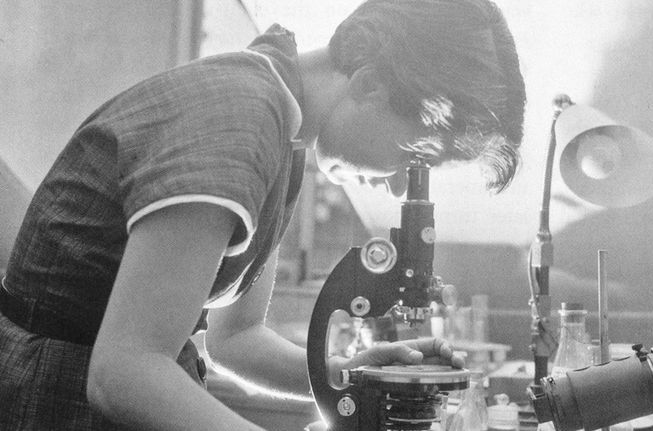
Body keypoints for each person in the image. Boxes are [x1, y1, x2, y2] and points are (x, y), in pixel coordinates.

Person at [0, 0, 526, 429]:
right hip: (57, 398)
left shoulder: (285, 127)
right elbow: (123, 372)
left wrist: (347, 373)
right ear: (369, 86)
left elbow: (236, 339)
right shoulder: (239, 122)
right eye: (413, 154)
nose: (395, 181)